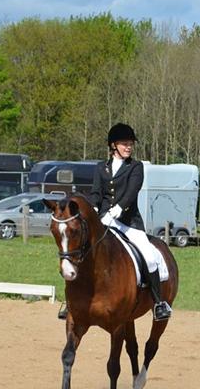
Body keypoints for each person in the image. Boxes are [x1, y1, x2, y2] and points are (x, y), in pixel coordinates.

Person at [57, 123, 173, 322]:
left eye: (130, 144)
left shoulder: (136, 167)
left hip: (129, 223)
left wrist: (116, 211)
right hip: (102, 222)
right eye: (124, 143)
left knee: (150, 255)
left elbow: (131, 193)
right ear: (113, 146)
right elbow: (96, 193)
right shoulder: (101, 167)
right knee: (78, 253)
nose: (129, 147)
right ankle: (69, 302)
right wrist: (93, 211)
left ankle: (158, 302)